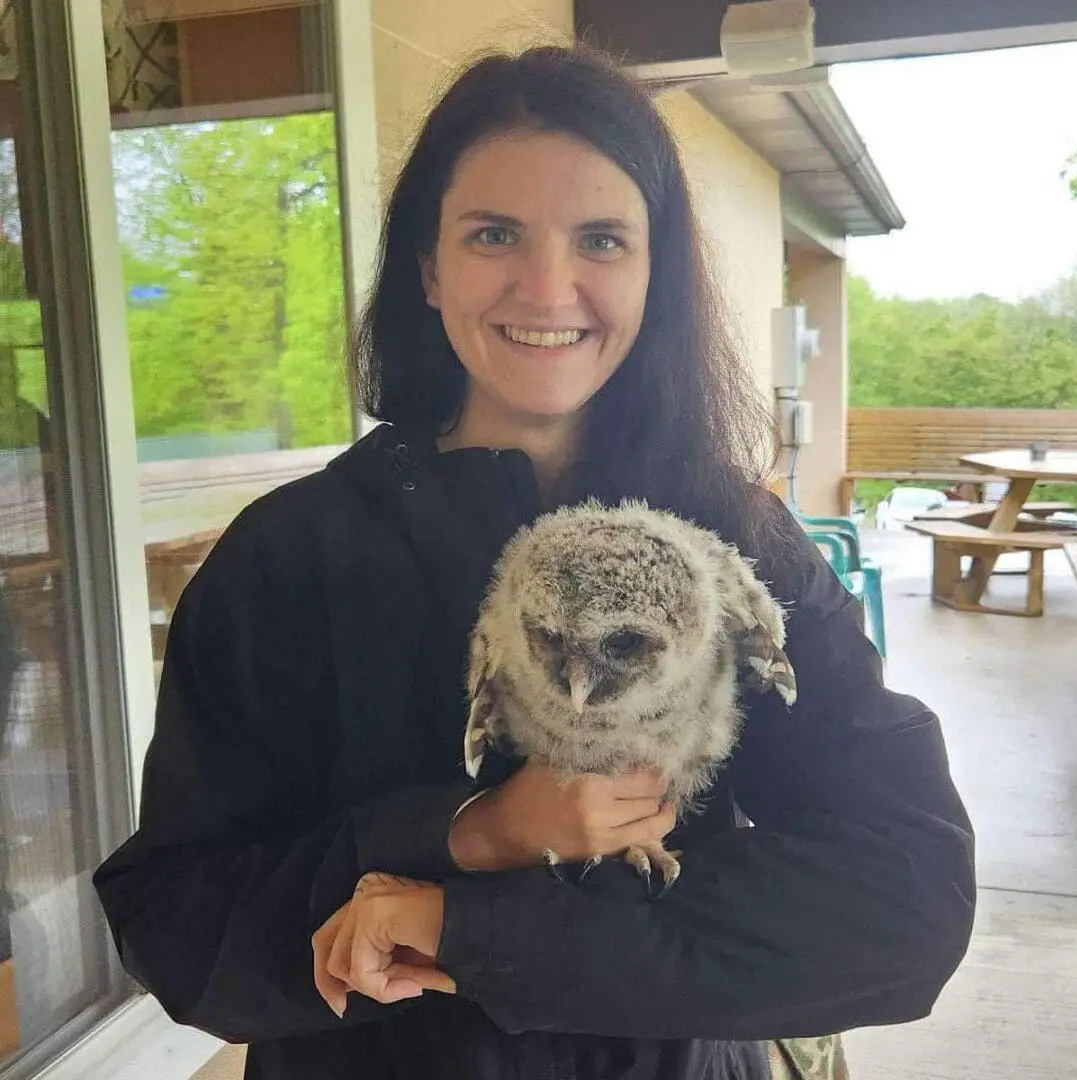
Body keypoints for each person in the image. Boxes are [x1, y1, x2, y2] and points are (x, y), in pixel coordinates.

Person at [93, 45, 976, 1080]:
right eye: (493, 234)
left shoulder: (735, 547)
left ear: (656, 274)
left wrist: (473, 931)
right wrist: (469, 833)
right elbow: (182, 930)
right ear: (428, 266)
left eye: (601, 239)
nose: (549, 286)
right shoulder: (291, 559)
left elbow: (904, 902)